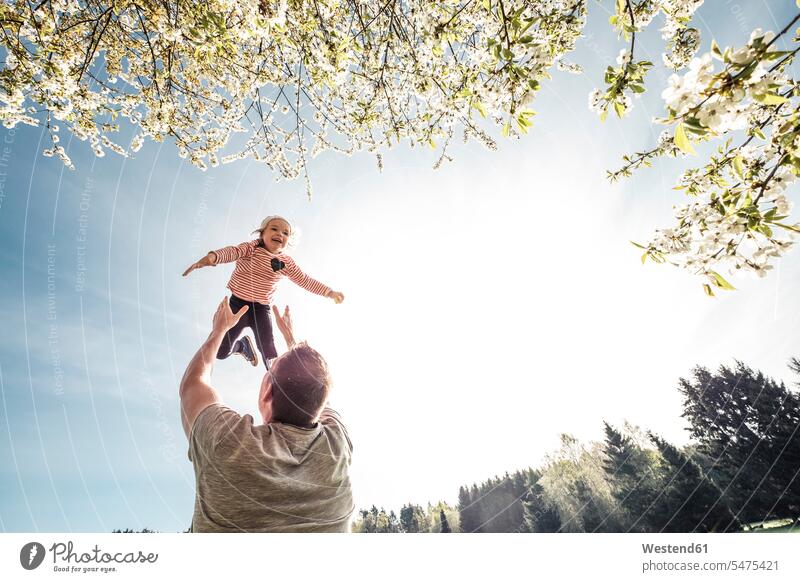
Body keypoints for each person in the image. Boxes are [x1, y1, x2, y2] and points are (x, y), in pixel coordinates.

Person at [179, 298, 354, 532]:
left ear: (266, 391)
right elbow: (318, 393)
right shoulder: (336, 447)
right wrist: (293, 345)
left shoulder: (228, 444)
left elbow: (193, 385)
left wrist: (219, 330)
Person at [182, 215, 344, 368]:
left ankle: (277, 381)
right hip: (237, 305)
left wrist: (329, 292)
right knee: (220, 352)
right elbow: (233, 252)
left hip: (261, 309)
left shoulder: (286, 263)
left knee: (269, 352)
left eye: (285, 233)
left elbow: (304, 280)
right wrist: (212, 257)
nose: (280, 234)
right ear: (262, 233)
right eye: (274, 229)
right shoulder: (251, 248)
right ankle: (241, 346)